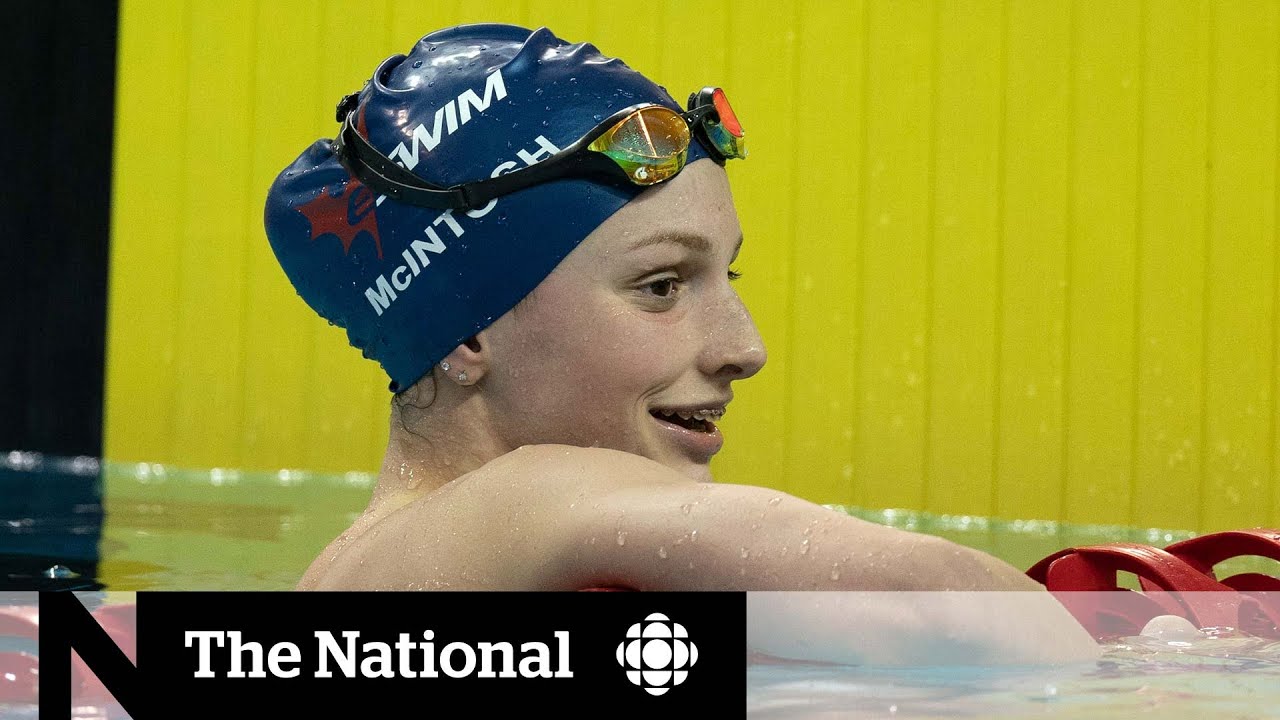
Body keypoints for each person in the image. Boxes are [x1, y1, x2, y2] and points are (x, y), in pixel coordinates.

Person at [264, 23, 1099, 664]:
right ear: (470, 331)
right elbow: (944, 605)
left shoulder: (354, 571)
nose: (746, 348)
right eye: (661, 287)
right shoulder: (525, 497)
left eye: (727, 279)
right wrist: (1168, 653)